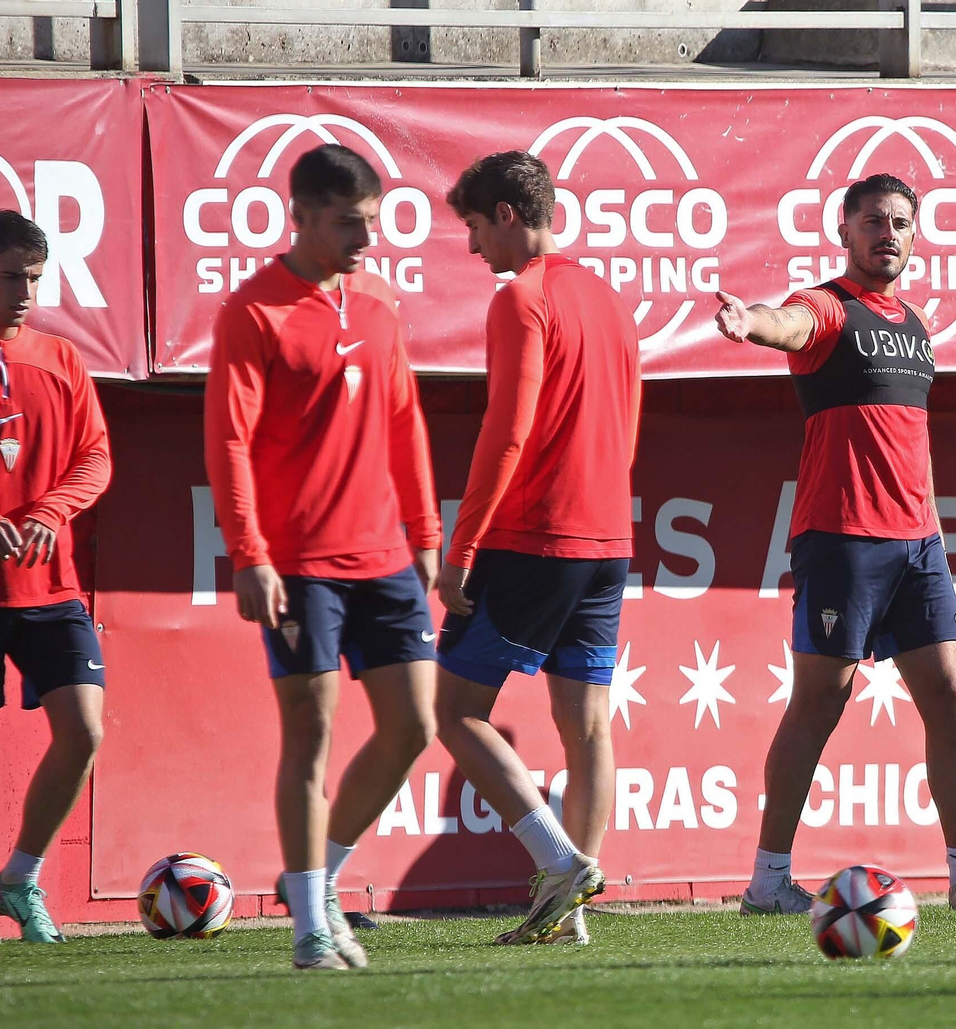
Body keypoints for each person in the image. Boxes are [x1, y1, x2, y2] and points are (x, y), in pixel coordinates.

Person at [715, 173, 956, 916]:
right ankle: (767, 880)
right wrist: (750, 322)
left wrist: (934, 528)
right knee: (821, 701)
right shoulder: (828, 306)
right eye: (874, 221)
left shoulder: (915, 324)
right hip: (842, 538)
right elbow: (786, 322)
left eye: (903, 222)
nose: (889, 233)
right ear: (843, 231)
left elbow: (915, 441)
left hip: (919, 545)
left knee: (947, 696)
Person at [204, 144, 441, 970]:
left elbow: (406, 417)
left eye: (372, 222)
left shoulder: (378, 299)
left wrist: (426, 536)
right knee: (311, 734)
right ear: (299, 215)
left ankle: (318, 878)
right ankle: (309, 927)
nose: (365, 239)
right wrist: (249, 554)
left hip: (383, 557)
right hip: (297, 561)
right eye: (348, 223)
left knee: (414, 724)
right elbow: (228, 440)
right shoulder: (253, 310)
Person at [433, 151, 639, 946]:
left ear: (509, 216)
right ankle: (570, 915)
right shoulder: (611, 300)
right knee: (587, 724)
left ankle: (558, 863)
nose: (474, 247)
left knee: (451, 709)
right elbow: (628, 424)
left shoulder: (521, 298)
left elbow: (506, 429)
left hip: (536, 535)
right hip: (607, 536)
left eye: (477, 227)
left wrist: (464, 543)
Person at [0, 209, 110, 945]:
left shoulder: (62, 359)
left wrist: (51, 510)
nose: (26, 291)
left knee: (85, 730)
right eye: (11, 277)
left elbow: (95, 458)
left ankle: (20, 875)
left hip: (52, 586)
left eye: (35, 277)